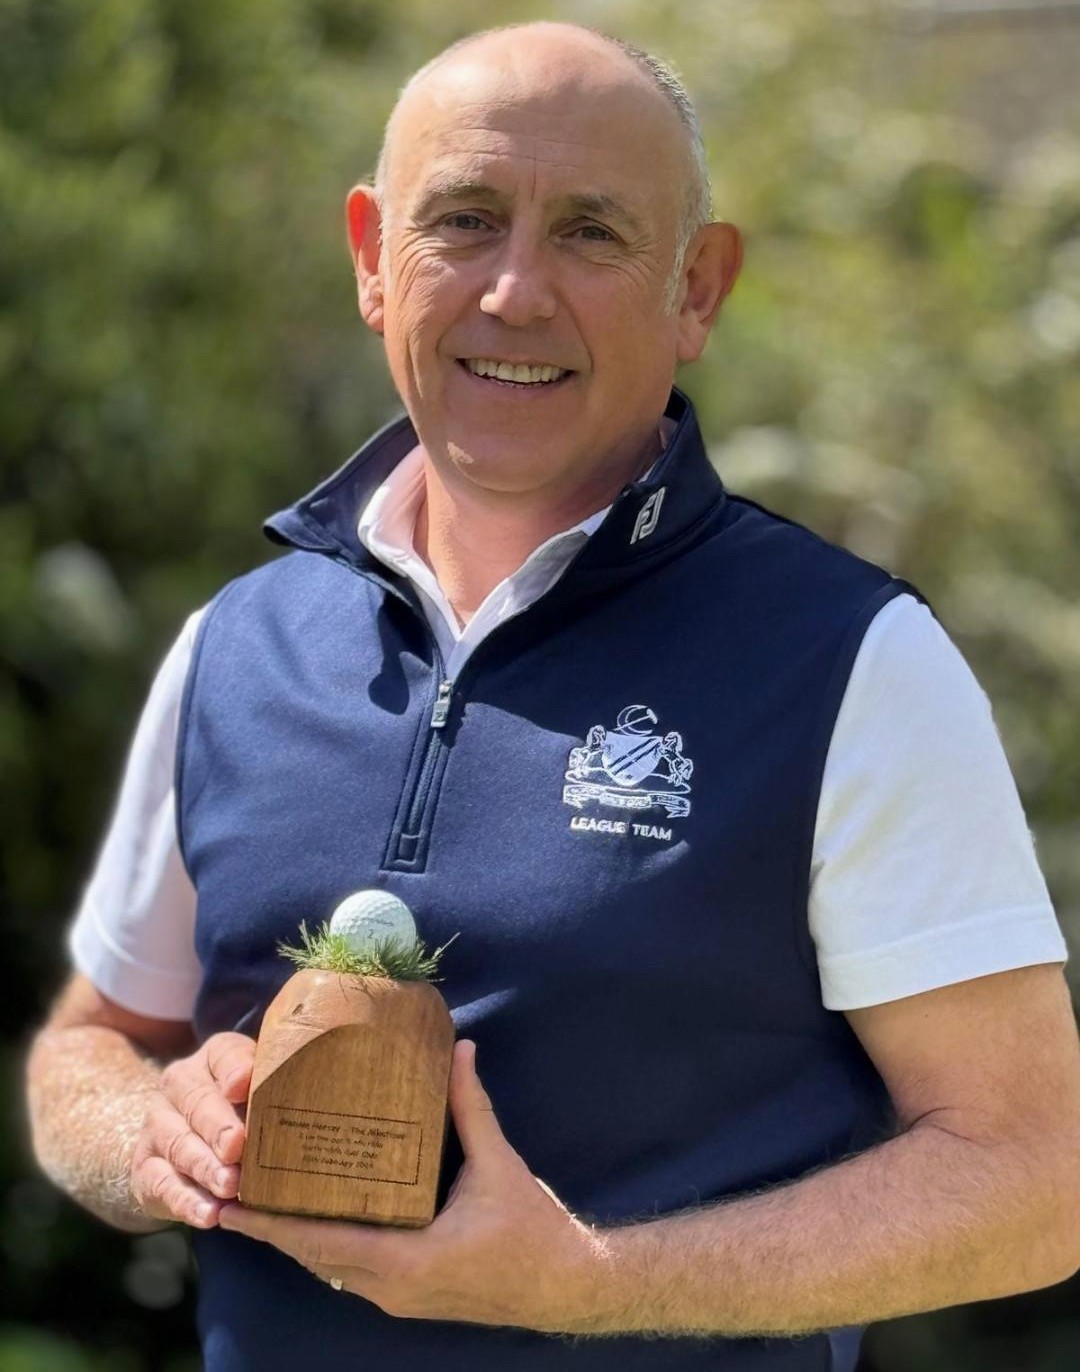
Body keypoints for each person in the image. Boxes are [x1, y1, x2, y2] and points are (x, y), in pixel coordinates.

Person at [26, 21, 1080, 1372]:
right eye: (463, 219)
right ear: (368, 258)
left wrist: (583, 1284)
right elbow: (91, 1045)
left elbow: (1033, 1182)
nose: (516, 292)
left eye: (591, 233)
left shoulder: (854, 662)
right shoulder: (233, 647)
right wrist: (147, 1139)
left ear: (697, 288)